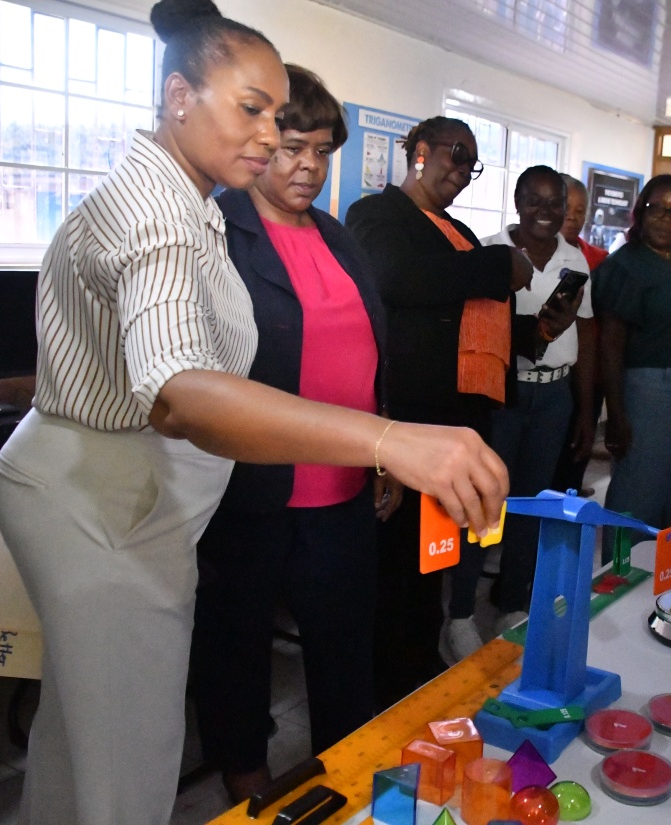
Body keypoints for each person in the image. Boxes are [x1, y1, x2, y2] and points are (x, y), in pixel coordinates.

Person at [0, 4, 507, 822]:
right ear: (179, 97)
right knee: (127, 763)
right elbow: (178, 391)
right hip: (98, 496)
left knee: (81, 743)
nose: (270, 137)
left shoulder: (191, 200)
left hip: (124, 489)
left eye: (283, 118)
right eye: (252, 109)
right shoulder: (158, 210)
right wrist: (387, 437)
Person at [189, 65, 398, 802]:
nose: (308, 165)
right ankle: (245, 778)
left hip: (343, 489)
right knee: (237, 645)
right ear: (258, 146)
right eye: (291, 148)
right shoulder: (221, 231)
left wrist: (385, 452)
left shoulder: (340, 237)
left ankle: (349, 772)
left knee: (344, 647)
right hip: (253, 492)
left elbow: (372, 350)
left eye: (321, 150)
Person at [346, 118, 578, 698]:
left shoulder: (458, 230)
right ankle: (388, 681)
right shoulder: (376, 216)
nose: (461, 171)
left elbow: (472, 319)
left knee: (434, 556)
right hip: (409, 419)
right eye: (456, 155)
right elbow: (398, 277)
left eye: (471, 163)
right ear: (418, 153)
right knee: (398, 562)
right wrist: (503, 266)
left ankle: (421, 661)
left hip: (458, 420)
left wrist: (536, 331)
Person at [481, 166, 592, 632]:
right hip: (503, 393)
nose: (545, 212)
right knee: (487, 499)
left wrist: (586, 410)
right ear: (517, 200)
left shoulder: (578, 261)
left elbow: (584, 332)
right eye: (535, 200)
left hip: (554, 397)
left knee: (530, 502)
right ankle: (461, 610)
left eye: (556, 204)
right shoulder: (490, 250)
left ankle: (512, 600)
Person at [593, 174, 671, 534]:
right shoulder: (625, 267)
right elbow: (610, 347)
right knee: (640, 488)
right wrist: (616, 415)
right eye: (657, 210)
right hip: (650, 390)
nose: (666, 219)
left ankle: (669, 575)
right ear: (640, 213)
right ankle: (623, 574)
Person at [551, 173, 607, 495]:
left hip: (586, 375)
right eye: (566, 207)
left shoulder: (598, 261)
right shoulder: (525, 253)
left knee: (574, 454)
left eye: (580, 210)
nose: (573, 217)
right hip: (544, 376)